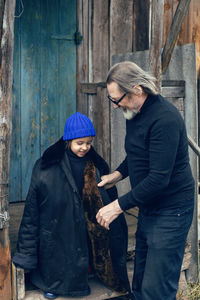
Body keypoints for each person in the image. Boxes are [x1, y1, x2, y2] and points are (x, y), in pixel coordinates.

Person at [96, 61, 195, 300]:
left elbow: (159, 179)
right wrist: (117, 174)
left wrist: (116, 207)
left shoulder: (165, 119)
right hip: (150, 207)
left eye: (117, 100)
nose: (115, 106)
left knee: (156, 289)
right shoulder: (134, 112)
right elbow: (138, 154)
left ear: (137, 90)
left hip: (172, 210)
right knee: (140, 282)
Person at [13, 112, 132, 299]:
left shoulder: (96, 165)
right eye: (79, 143)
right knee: (59, 250)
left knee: (82, 245)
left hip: (85, 225)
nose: (85, 147)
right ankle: (53, 284)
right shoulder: (46, 166)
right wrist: (25, 257)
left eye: (89, 142)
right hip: (57, 227)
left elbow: (108, 198)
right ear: (68, 140)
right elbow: (31, 213)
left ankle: (84, 277)